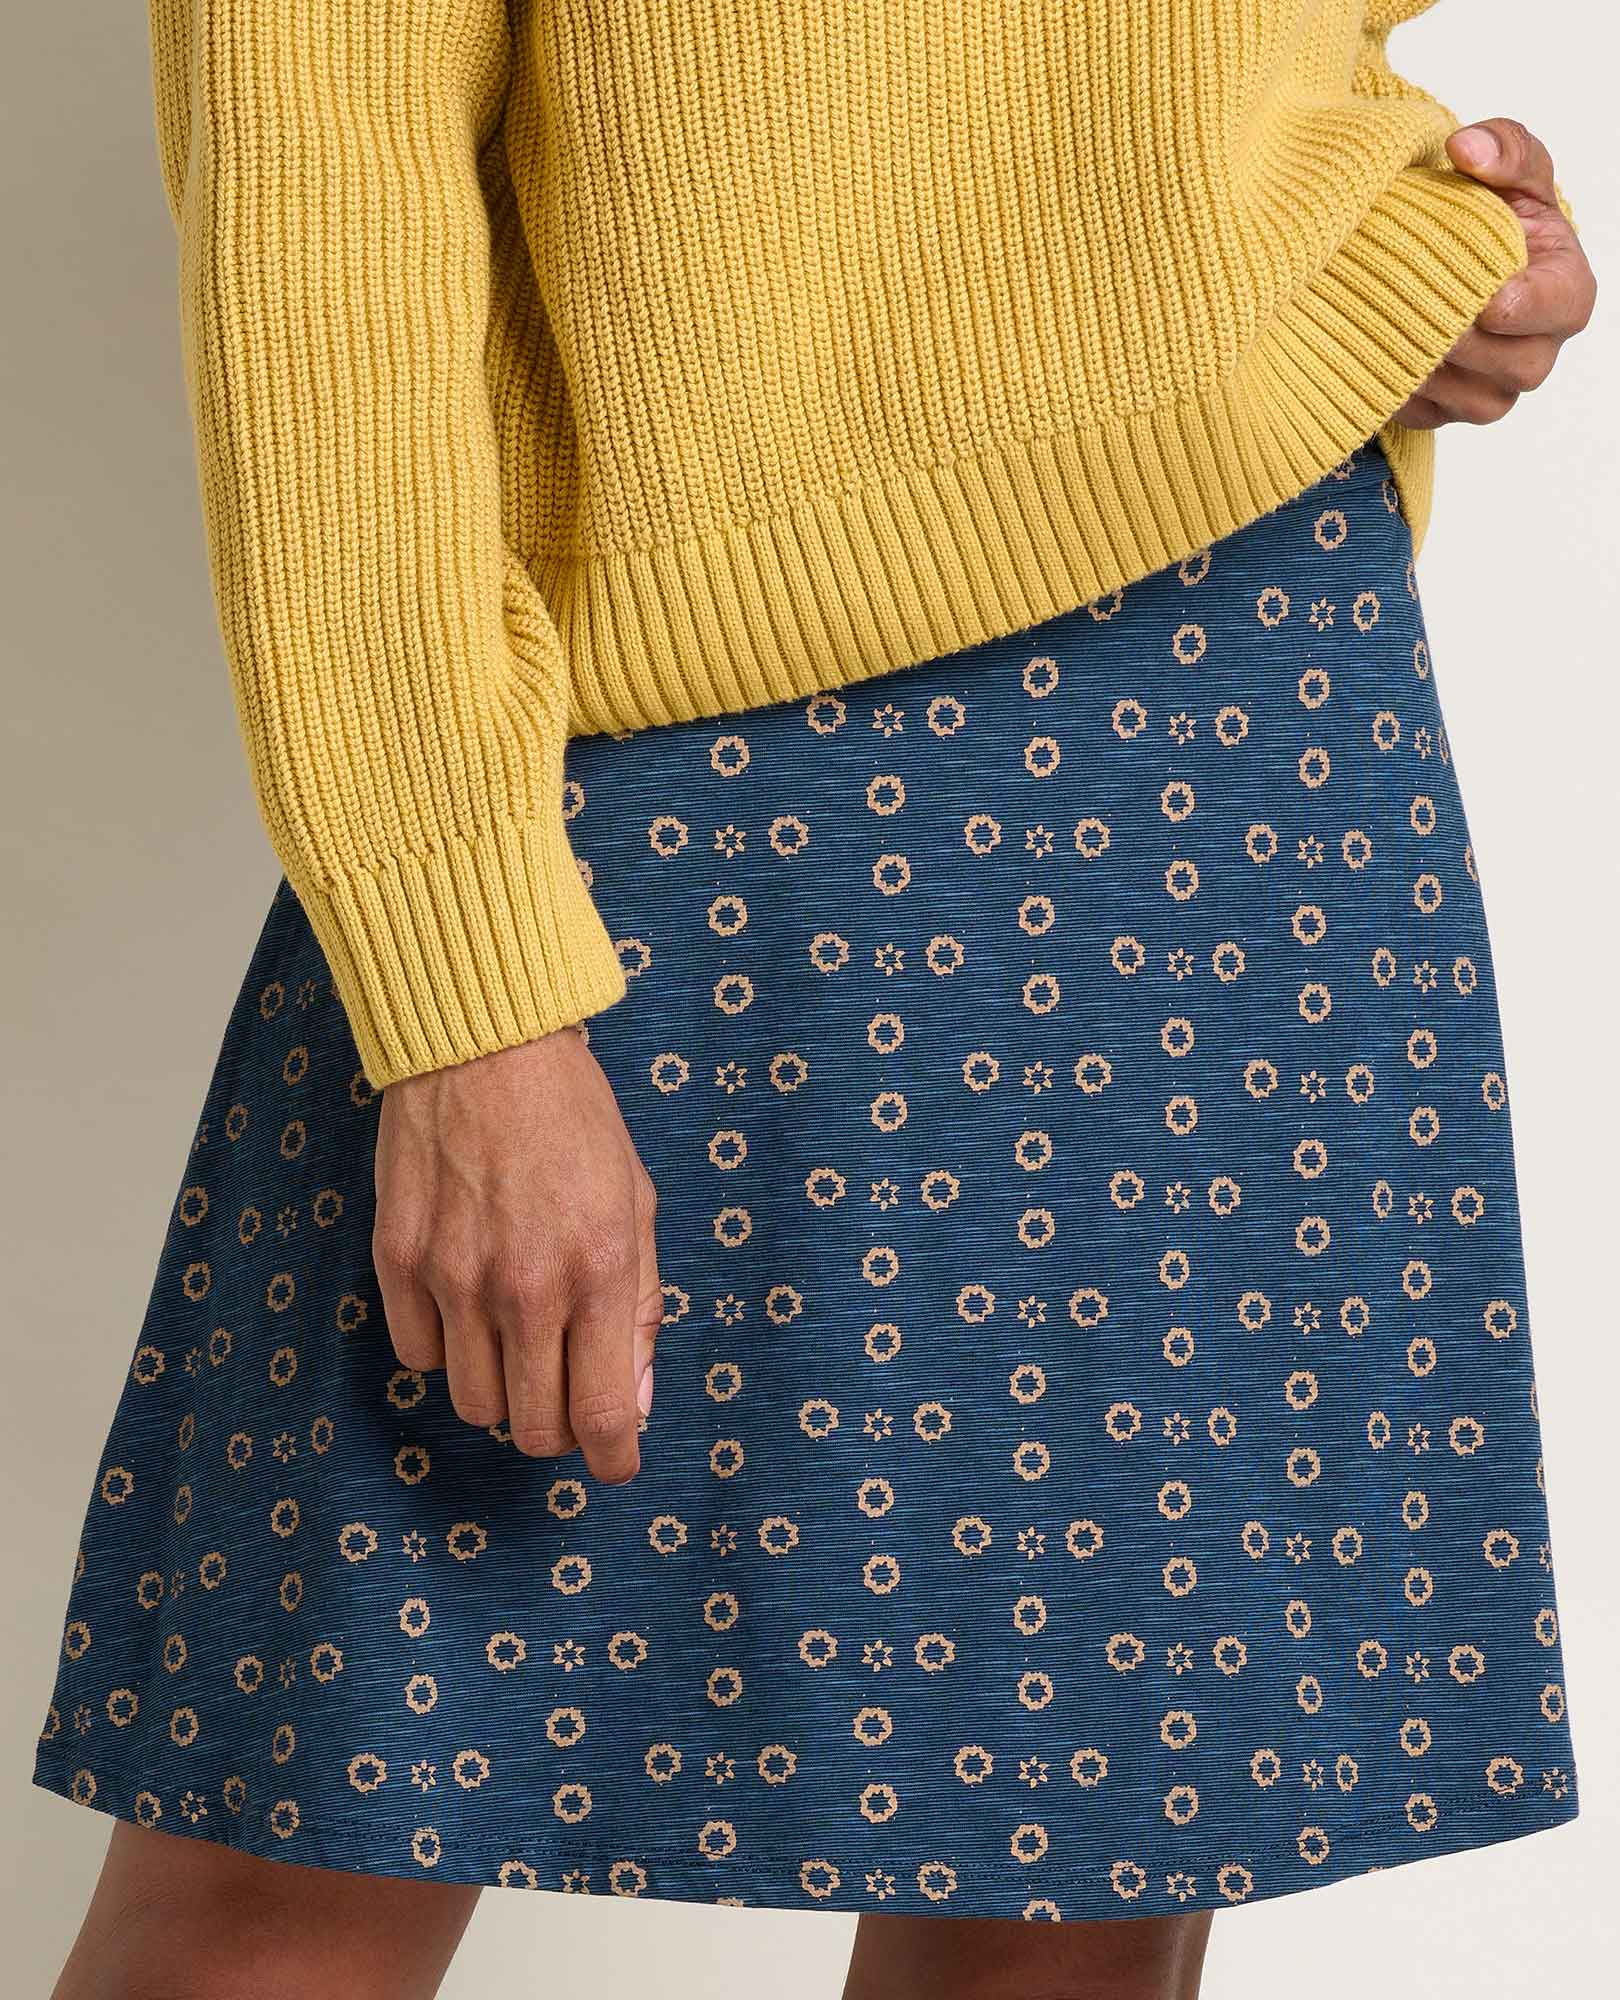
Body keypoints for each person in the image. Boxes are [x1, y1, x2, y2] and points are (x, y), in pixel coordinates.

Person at [35, 4, 1594, 1997]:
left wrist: (1400, 231)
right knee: (289, 1871)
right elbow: (316, 227)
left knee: (1076, 1882)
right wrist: (468, 1003)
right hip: (658, 770)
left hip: (1235, 692)